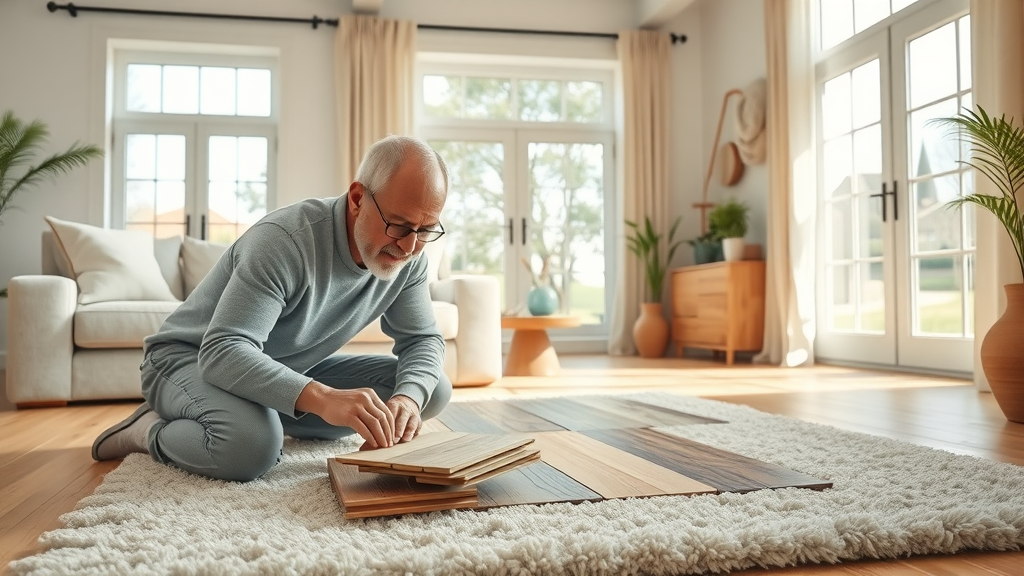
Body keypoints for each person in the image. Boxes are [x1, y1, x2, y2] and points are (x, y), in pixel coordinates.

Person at [91, 135, 453, 482]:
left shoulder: (409, 260)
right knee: (252, 448)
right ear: (358, 198)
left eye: (426, 230)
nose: (409, 247)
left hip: (282, 368)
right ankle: (146, 430)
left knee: (429, 389)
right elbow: (222, 352)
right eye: (399, 225)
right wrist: (323, 398)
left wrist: (407, 400)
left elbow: (422, 340)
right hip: (186, 359)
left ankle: (263, 416)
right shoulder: (285, 241)